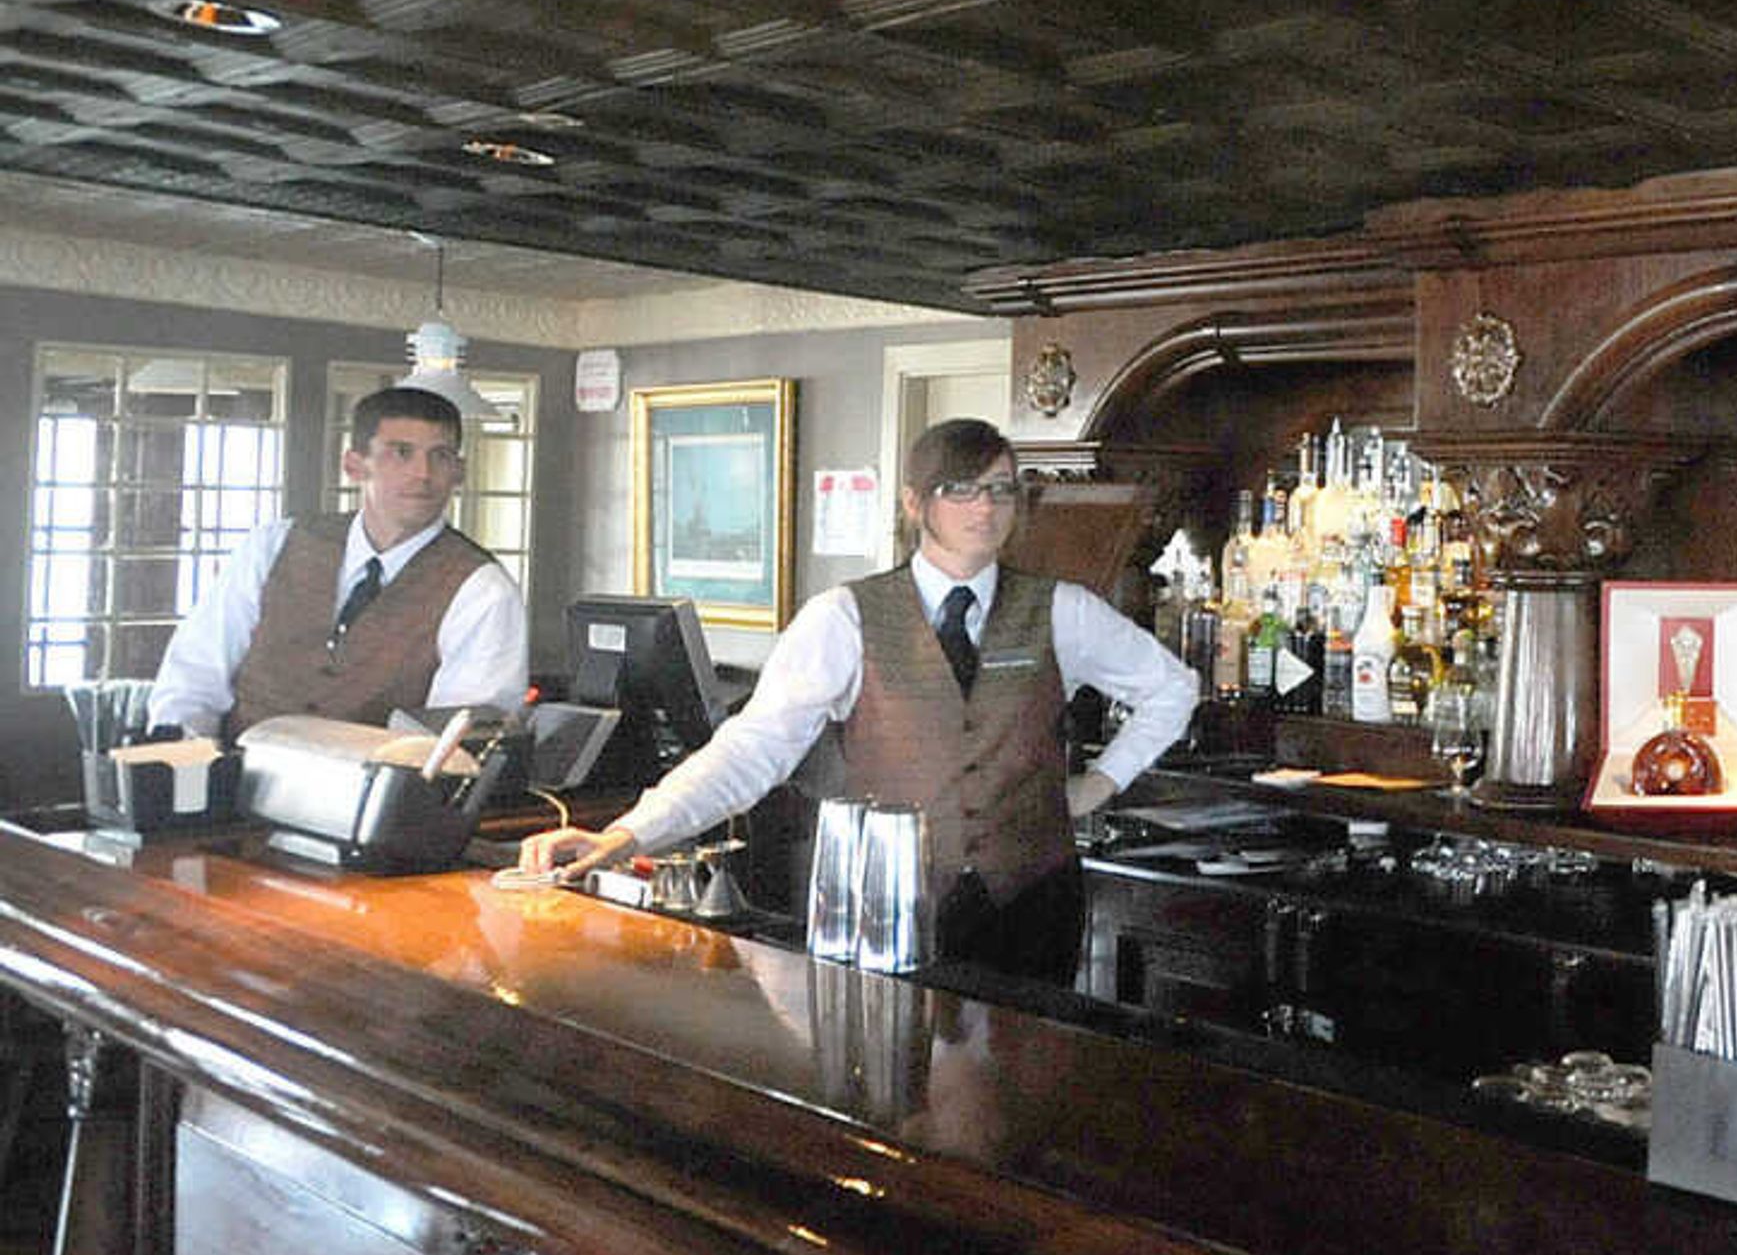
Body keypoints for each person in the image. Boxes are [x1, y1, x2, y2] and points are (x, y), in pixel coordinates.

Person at [517, 419, 1199, 984]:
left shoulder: (1062, 611)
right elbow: (753, 749)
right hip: (887, 903)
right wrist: (626, 835)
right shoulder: (844, 616)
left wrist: (1100, 783)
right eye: (960, 489)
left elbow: (1172, 688)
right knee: (888, 1091)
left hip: (1033, 900)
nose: (985, 507)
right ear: (914, 504)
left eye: (1001, 489)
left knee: (1023, 1101)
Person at [150, 384, 530, 742]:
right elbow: (192, 679)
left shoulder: (482, 590)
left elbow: (455, 742)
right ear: (354, 466)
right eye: (401, 452)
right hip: (231, 785)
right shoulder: (274, 545)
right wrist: (186, 771)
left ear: (458, 472)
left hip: (376, 801)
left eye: (441, 456)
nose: (423, 474)